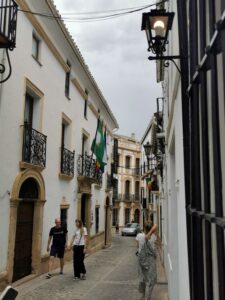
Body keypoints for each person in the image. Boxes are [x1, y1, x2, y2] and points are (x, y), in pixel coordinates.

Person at [136, 223, 157, 300]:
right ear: (151, 228)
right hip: (151, 260)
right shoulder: (153, 237)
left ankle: (143, 296)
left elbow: (138, 246)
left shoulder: (139, 236)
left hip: (141, 259)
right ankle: (148, 297)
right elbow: (156, 225)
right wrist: (150, 233)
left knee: (142, 278)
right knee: (151, 279)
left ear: (144, 228)